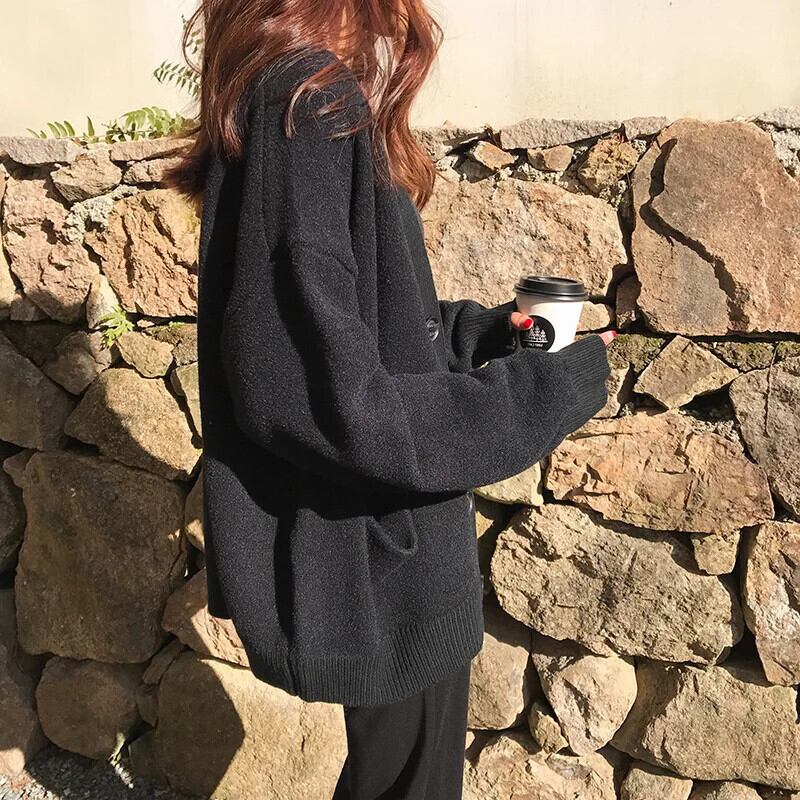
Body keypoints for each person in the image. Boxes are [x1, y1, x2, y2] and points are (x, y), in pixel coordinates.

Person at [165, 1, 614, 797]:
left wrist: (482, 335)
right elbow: (319, 399)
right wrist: (541, 390)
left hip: (384, 550)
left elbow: (358, 330)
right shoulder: (306, 99)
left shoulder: (290, 95)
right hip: (380, 561)